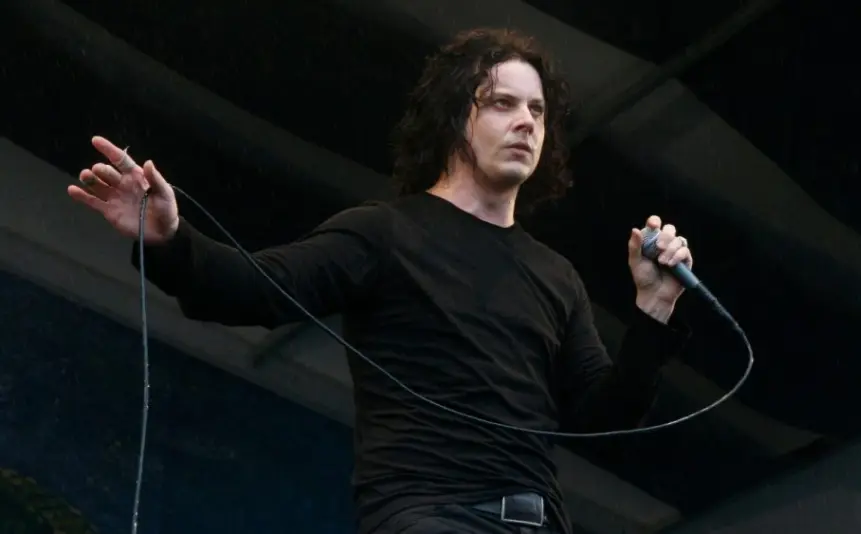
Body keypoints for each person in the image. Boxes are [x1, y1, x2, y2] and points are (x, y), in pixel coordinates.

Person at [67, 28, 694, 534]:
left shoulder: (554, 275)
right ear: (454, 119)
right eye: (502, 103)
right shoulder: (385, 233)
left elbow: (602, 419)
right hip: (430, 514)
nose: (527, 122)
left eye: (538, 109)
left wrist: (653, 310)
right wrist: (171, 240)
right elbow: (259, 289)